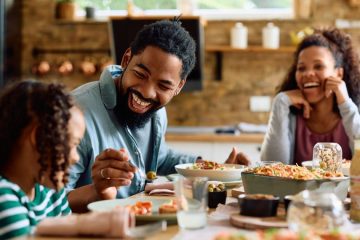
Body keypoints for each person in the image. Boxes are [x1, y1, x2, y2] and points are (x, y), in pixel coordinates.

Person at [67, 18, 249, 213]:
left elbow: (159, 157)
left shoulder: (157, 113)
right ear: (126, 59)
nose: (146, 92)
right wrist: (97, 190)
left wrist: (215, 170)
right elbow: (47, 202)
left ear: (178, 87)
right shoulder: (75, 114)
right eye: (140, 74)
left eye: (163, 86)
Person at [261, 28, 360, 165]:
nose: (308, 74)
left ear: (339, 73)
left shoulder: (354, 113)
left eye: (318, 66)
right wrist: (280, 102)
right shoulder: (290, 114)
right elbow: (271, 169)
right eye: (301, 68)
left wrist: (345, 103)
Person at [0, 80, 86, 238]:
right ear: (37, 136)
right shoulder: (4, 198)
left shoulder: (51, 192)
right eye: (73, 144)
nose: (75, 157)